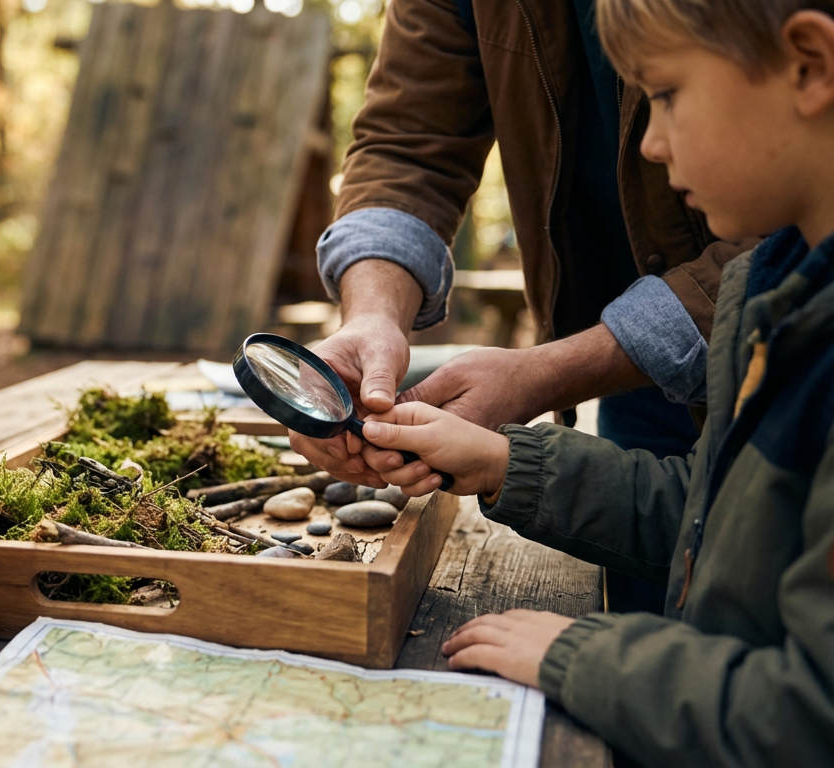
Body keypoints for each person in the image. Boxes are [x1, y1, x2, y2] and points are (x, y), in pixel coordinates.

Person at [360, 1, 834, 762]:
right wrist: (505, 463)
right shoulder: (768, 296)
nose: (648, 143)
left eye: (667, 94)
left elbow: (808, 714)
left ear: (809, 64)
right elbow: (712, 521)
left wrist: (585, 658)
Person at [297, 0, 749, 612]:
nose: (654, 147)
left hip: (757, 345)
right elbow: (407, 147)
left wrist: (545, 377)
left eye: (668, 95)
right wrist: (373, 313)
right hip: (627, 385)